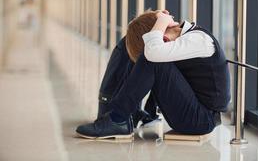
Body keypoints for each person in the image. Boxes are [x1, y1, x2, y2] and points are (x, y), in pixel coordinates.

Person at [76, 10, 230, 139]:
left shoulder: (198, 40)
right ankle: (123, 116)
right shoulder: (185, 39)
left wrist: (161, 22)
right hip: (193, 115)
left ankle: (118, 118)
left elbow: (153, 53)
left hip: (202, 120)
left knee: (152, 57)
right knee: (154, 56)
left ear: (162, 36)